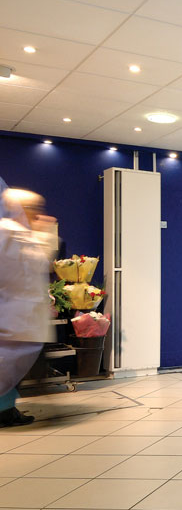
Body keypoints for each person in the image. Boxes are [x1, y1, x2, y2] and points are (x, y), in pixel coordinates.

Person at [0, 183, 54, 427]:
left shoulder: (18, 231)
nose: (36, 213)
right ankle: (6, 412)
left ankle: (8, 411)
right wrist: (45, 235)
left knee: (11, 369)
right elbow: (32, 265)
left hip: (20, 318)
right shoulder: (9, 231)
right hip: (14, 318)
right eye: (33, 208)